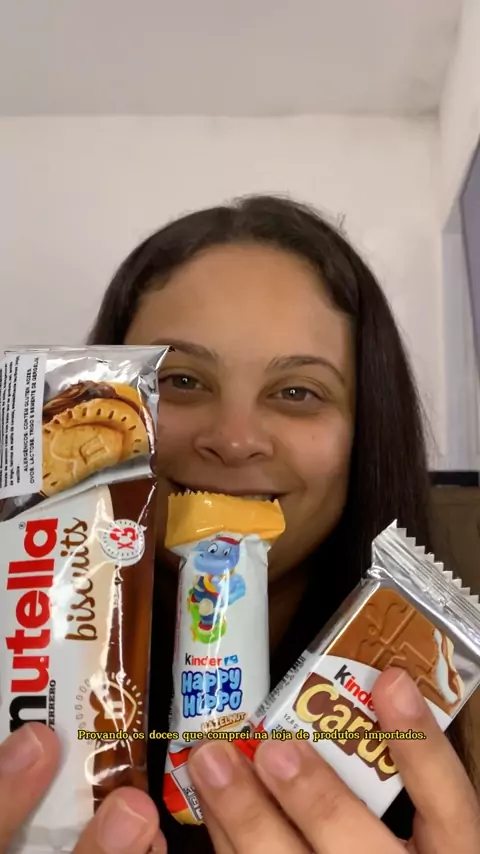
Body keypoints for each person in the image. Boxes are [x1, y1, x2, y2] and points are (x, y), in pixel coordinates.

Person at [0, 195, 478, 854]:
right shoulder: (21, 658)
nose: (233, 439)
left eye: (297, 392)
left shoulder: (461, 705)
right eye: (181, 380)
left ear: (365, 431)